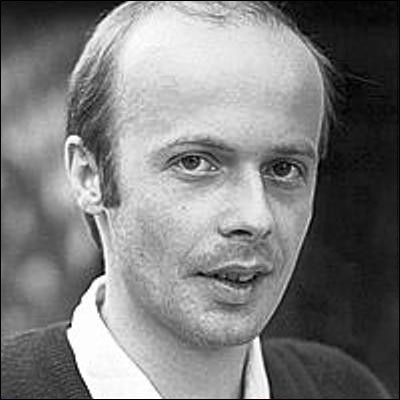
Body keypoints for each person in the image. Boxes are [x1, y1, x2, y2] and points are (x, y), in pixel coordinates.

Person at [1, 1, 391, 399]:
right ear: (89, 175)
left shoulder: (344, 389)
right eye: (195, 163)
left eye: (284, 169)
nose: (255, 217)